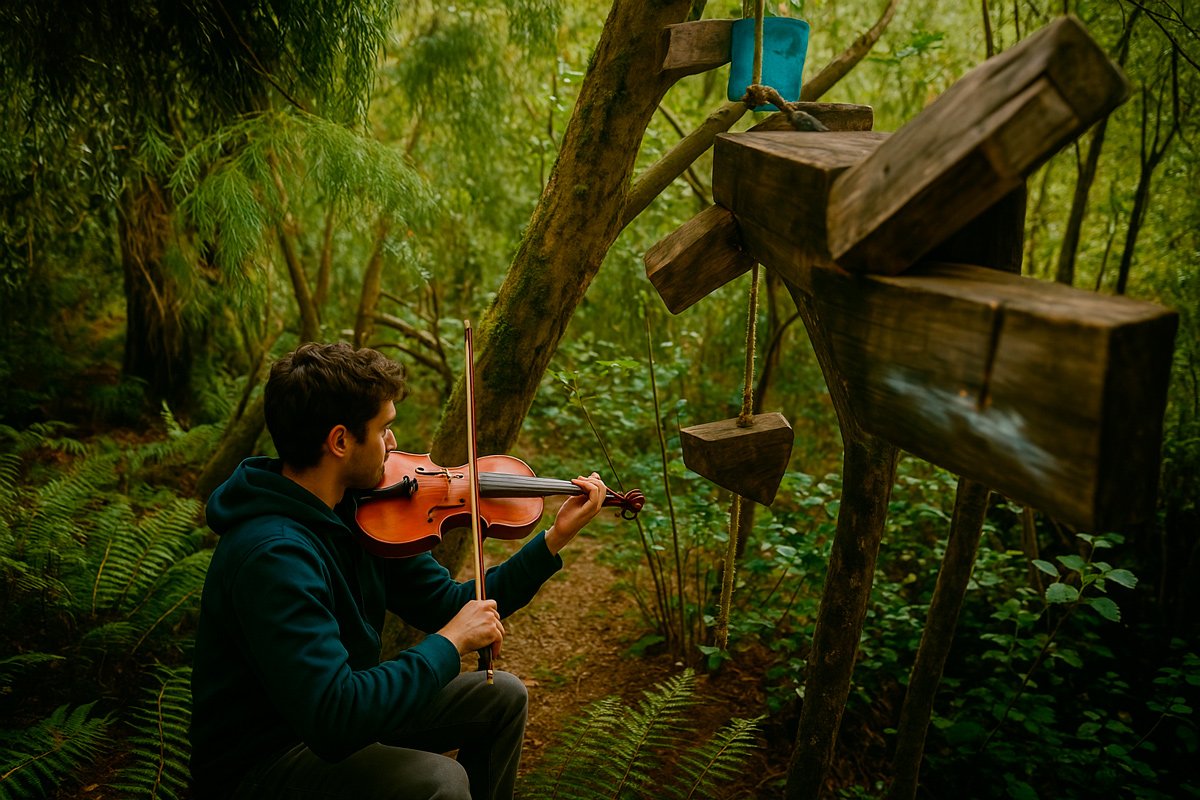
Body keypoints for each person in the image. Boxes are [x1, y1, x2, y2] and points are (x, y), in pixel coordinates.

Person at [189, 342, 609, 800]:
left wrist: (553, 539)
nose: (394, 444)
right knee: (439, 782)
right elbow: (336, 717)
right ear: (340, 441)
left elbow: (450, 604)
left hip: (341, 719)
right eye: (384, 429)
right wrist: (449, 644)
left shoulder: (358, 513)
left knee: (502, 697)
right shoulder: (272, 556)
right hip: (267, 762)